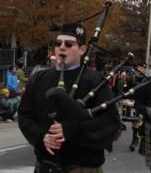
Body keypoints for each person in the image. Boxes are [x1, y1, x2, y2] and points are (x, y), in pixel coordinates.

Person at [18, 23, 121, 173]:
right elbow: (25, 116)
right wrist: (42, 138)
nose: (62, 47)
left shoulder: (95, 80)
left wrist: (71, 130)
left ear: (82, 49)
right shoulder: (39, 78)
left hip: (83, 166)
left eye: (69, 44)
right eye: (58, 43)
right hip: (46, 165)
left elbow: (111, 122)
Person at [126, 62, 147, 152]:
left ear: (145, 70)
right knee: (134, 121)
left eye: (143, 68)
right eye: (139, 68)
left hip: (143, 104)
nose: (141, 70)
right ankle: (135, 140)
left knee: (139, 122)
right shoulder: (131, 78)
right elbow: (125, 90)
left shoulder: (147, 80)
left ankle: (138, 140)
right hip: (132, 103)